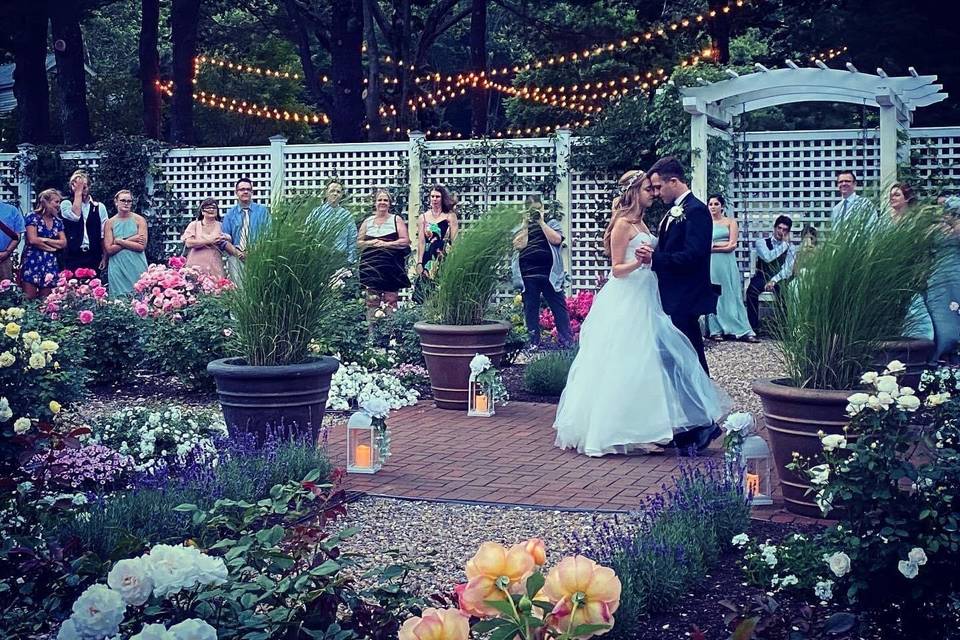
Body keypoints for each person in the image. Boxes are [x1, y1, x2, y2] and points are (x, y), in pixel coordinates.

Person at [553, 171, 732, 457]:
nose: (654, 193)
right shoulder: (623, 224)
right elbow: (616, 269)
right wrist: (640, 264)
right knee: (627, 360)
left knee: (649, 361)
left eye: (655, 188)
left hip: (649, 295)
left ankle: (654, 428)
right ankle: (620, 429)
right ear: (635, 192)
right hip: (628, 297)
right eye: (649, 189)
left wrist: (650, 262)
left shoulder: (644, 222)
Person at [637, 157, 727, 451]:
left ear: (674, 181)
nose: (657, 192)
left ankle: (705, 423)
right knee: (676, 361)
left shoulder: (697, 211)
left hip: (684, 298)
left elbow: (695, 255)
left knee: (689, 361)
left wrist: (656, 260)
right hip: (670, 297)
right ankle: (690, 423)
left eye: (659, 186)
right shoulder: (674, 212)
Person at [511, 194, 573, 348]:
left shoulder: (552, 223)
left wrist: (541, 222)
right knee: (530, 309)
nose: (535, 212)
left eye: (538, 209)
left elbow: (557, 240)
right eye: (532, 210)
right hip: (528, 275)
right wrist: (526, 224)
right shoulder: (520, 226)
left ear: (543, 208)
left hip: (549, 275)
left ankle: (566, 342)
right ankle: (533, 343)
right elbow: (519, 244)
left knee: (559, 307)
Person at [704, 194, 757, 342]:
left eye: (716, 204)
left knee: (730, 293)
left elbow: (732, 245)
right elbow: (703, 245)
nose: (713, 207)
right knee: (714, 293)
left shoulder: (730, 222)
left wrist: (714, 246)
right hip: (711, 263)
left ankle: (740, 328)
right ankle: (716, 330)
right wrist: (720, 246)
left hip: (726, 262)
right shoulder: (706, 223)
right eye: (710, 204)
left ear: (722, 206)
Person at [888, 183, 935, 341]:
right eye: (891, 195)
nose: (892, 198)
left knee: (914, 306)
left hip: (910, 271)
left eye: (897, 194)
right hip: (890, 271)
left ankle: (922, 340)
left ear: (907, 198)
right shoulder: (886, 222)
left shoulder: (914, 222)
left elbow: (922, 248)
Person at [357, 189, 411, 319]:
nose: (382, 202)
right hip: (371, 267)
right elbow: (359, 242)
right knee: (371, 301)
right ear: (375, 203)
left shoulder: (395, 220)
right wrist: (371, 243)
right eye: (379, 200)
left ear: (390, 203)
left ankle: (391, 335)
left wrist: (387, 244)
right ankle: (372, 336)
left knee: (390, 300)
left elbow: (405, 241)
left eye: (385, 200)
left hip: (391, 267)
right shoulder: (368, 221)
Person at [745, 216, 797, 334]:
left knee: (783, 292)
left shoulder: (792, 248)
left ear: (788, 232)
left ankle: (782, 330)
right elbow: (768, 258)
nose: (781, 232)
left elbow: (787, 269)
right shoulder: (761, 242)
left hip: (779, 277)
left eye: (785, 230)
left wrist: (774, 280)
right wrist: (784, 245)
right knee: (751, 292)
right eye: (779, 228)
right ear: (774, 228)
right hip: (762, 275)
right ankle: (753, 328)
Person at [413, 184, 459, 303]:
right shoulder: (423, 217)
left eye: (437, 197)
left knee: (442, 288)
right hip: (428, 256)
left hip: (444, 255)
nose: (434, 199)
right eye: (432, 196)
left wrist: (453, 259)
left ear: (442, 198)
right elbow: (422, 242)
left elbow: (455, 241)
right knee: (426, 289)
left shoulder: (450, 216)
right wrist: (419, 262)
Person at [221, 177, 270, 284]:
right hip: (236, 257)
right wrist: (238, 253)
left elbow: (268, 235)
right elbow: (224, 240)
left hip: (258, 256)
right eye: (242, 189)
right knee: (239, 290)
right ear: (236, 192)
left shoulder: (262, 211)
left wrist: (252, 252)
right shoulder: (230, 214)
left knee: (257, 287)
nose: (245, 191)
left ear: (252, 192)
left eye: (248, 189)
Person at [928, 195, 960, 360]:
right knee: (939, 312)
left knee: (955, 311)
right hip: (938, 272)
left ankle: (956, 352)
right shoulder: (936, 227)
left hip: (955, 271)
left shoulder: (958, 227)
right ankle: (940, 352)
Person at [21, 189, 67, 299]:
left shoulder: (57, 221)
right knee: (28, 298)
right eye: (56, 202)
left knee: (46, 301)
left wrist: (45, 240)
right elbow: (32, 240)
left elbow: (63, 243)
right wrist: (52, 247)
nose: (58, 205)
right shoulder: (33, 217)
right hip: (33, 261)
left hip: (50, 263)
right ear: (46, 202)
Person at [60, 170, 108, 274]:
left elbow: (103, 233)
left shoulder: (99, 207)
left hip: (93, 254)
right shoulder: (66, 204)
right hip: (73, 255)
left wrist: (104, 256)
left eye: (84, 186)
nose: (82, 190)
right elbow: (75, 216)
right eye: (79, 186)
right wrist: (78, 193)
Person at [103, 190, 149, 297]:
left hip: (136, 264)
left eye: (129, 201)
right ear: (116, 202)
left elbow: (141, 246)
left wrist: (119, 241)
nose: (126, 203)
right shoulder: (110, 223)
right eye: (123, 200)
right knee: (119, 300)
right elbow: (109, 249)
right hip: (117, 265)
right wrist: (133, 239)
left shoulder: (139, 220)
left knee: (140, 297)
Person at [310, 180, 358, 261]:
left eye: (338, 192)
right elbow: (308, 234)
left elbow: (352, 240)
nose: (335, 194)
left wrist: (350, 261)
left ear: (341, 195)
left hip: (340, 259)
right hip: (318, 259)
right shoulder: (316, 213)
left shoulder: (346, 216)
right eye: (332, 191)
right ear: (326, 193)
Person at [182, 198, 228, 279]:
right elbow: (189, 243)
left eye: (214, 207)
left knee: (217, 288)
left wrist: (227, 238)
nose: (211, 209)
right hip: (194, 266)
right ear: (202, 211)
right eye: (208, 207)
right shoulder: (194, 225)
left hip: (214, 266)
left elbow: (227, 241)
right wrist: (210, 240)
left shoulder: (221, 226)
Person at [0, 201, 25, 282]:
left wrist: (7, 252)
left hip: (4, 258)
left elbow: (17, 235)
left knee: (5, 291)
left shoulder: (11, 210)